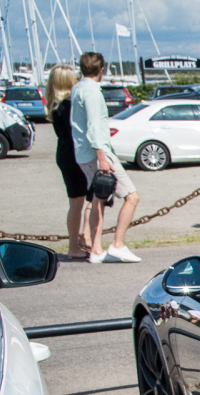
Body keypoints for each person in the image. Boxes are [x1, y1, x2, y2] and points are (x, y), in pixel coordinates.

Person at [70, 51, 141, 263]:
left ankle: (97, 249)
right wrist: (102, 157)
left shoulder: (77, 88)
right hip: (98, 152)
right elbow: (94, 126)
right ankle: (117, 244)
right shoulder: (91, 92)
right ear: (101, 70)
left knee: (98, 199)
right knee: (131, 196)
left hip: (83, 152)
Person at [45, 64, 89, 259]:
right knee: (81, 201)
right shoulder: (69, 104)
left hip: (64, 152)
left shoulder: (55, 104)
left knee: (77, 201)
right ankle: (76, 244)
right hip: (74, 153)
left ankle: (78, 241)